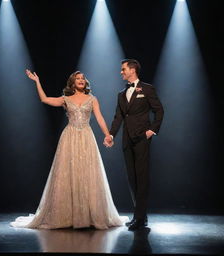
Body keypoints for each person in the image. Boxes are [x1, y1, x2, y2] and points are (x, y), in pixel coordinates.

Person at [10, 70, 127, 229]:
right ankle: (68, 215)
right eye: (77, 78)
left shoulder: (92, 99)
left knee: (87, 174)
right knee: (68, 174)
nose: (81, 80)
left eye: (83, 78)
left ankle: (90, 215)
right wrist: (37, 81)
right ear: (72, 83)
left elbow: (99, 117)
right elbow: (44, 99)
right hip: (69, 137)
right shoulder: (65, 99)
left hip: (86, 137)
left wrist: (108, 135)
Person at [104, 59, 164, 230]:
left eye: (123, 69)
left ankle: (139, 218)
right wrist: (111, 135)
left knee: (142, 178)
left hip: (142, 139)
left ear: (132, 70)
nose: (121, 72)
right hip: (127, 140)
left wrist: (152, 130)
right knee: (132, 179)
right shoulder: (121, 94)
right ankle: (140, 216)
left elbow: (159, 110)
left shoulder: (147, 89)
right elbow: (118, 117)